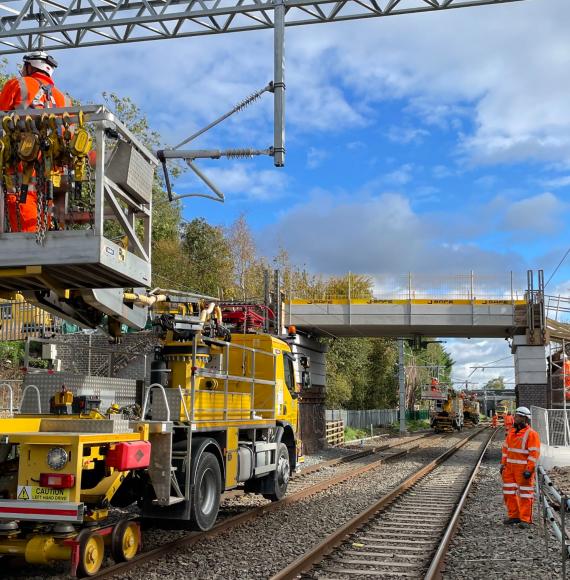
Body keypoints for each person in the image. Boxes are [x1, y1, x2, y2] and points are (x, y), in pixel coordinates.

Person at [0, 51, 71, 232]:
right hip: (51, 166)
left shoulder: (19, 84)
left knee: (19, 198)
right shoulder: (64, 99)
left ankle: (28, 245)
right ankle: (41, 238)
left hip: (22, 158)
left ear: (30, 66)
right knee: (43, 201)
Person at [500, 406, 540, 528]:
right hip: (509, 469)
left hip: (523, 470)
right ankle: (514, 516)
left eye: (519, 416)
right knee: (508, 493)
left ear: (525, 419)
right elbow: (506, 449)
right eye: (516, 416)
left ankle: (525, 519)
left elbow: (534, 454)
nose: (515, 418)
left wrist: (529, 469)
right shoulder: (512, 432)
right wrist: (503, 464)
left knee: (525, 494)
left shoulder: (531, 434)